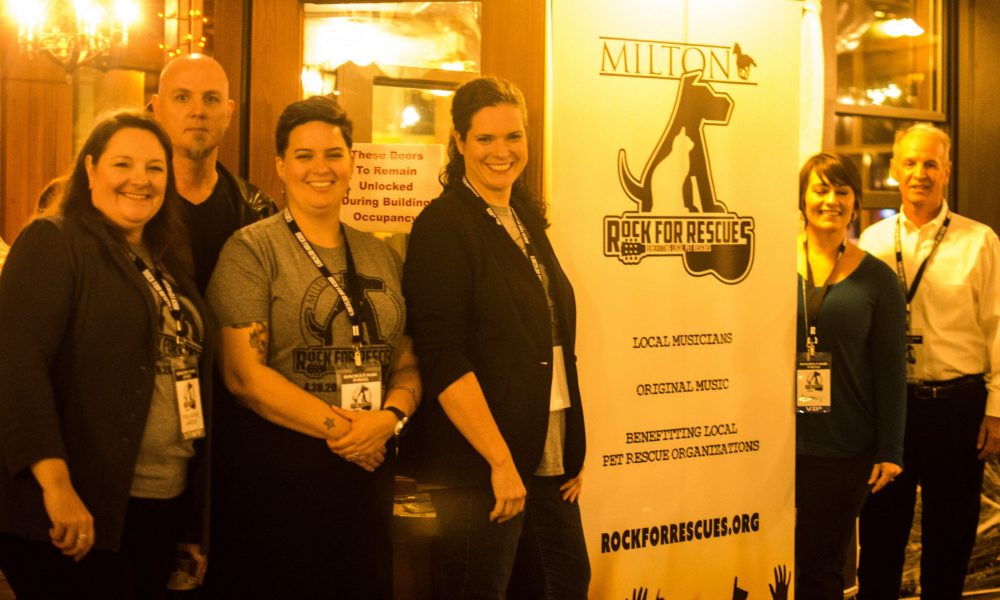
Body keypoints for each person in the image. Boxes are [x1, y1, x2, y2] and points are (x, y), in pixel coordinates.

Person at [205, 95, 420, 598]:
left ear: (352, 162)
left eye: (333, 153)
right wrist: (350, 433)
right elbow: (243, 376)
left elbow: (407, 360)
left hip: (367, 482)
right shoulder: (250, 250)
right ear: (281, 166)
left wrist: (389, 419)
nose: (320, 168)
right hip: (279, 488)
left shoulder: (382, 256)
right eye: (303, 155)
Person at [0, 110, 212, 598]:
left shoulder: (165, 257)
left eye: (155, 168)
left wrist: (191, 520)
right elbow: (16, 368)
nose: (140, 179)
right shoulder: (54, 241)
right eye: (123, 164)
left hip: (160, 501)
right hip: (76, 507)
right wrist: (57, 486)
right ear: (91, 170)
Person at [403, 76, 589, 599]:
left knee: (565, 583)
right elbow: (443, 356)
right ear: (459, 142)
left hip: (544, 457)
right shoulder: (443, 226)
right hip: (482, 467)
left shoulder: (524, 217)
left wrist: (568, 445)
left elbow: (550, 342)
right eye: (485, 138)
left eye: (513, 136)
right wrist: (500, 461)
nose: (501, 151)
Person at [857, 124, 1000, 598]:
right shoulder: (871, 242)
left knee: (950, 540)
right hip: (889, 409)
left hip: (958, 408)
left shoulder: (980, 241)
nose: (921, 173)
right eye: (911, 163)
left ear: (947, 172)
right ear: (894, 170)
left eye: (931, 164)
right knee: (880, 535)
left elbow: (999, 325)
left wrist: (997, 409)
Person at [793, 153, 906, 598]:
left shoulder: (878, 279)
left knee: (819, 565)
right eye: (820, 189)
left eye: (842, 191)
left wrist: (891, 449)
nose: (831, 200)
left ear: (856, 203)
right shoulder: (765, 267)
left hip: (843, 448)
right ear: (802, 199)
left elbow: (890, 371)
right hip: (771, 443)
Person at [151, 53, 276, 294]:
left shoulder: (256, 210)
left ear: (228, 112)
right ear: (157, 108)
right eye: (182, 97)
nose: (198, 111)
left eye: (211, 99)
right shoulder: (135, 201)